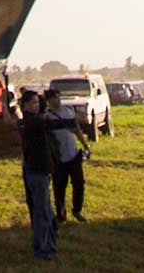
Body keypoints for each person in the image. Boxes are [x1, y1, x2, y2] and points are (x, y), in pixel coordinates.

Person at [9, 88, 56, 261]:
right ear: (26, 105)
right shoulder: (32, 122)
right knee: (41, 213)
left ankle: (49, 245)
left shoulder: (30, 121)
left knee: (46, 212)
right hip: (36, 171)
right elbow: (47, 121)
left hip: (40, 170)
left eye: (38, 102)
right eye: (34, 102)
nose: (37, 105)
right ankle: (41, 249)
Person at [43, 88, 88, 226]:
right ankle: (61, 215)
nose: (57, 100)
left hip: (73, 154)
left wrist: (85, 145)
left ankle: (77, 210)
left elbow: (76, 130)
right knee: (59, 187)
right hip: (58, 158)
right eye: (54, 98)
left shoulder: (68, 111)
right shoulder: (46, 117)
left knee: (79, 183)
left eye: (58, 97)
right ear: (49, 101)